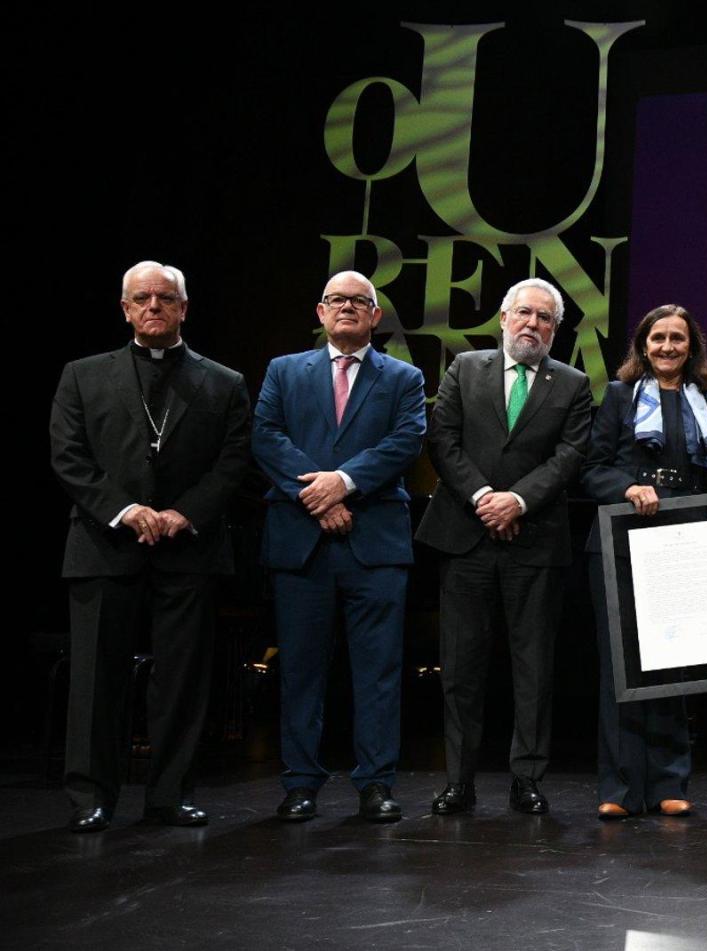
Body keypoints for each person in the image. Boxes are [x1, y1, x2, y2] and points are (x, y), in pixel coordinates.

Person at [49, 261, 251, 832]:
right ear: (125, 308)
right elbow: (68, 455)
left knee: (182, 678)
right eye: (142, 298)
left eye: (166, 298)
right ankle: (91, 796)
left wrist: (183, 512)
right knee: (95, 677)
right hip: (103, 540)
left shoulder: (223, 381)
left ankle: (170, 794)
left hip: (188, 544)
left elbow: (234, 459)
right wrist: (125, 510)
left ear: (184, 308)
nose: (154, 306)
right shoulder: (83, 375)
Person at [252, 270, 427, 824]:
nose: (347, 308)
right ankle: (301, 783)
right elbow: (266, 437)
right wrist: (321, 494)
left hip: (374, 544)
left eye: (360, 302)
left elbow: (405, 441)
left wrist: (343, 483)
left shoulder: (404, 378)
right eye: (337, 300)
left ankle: (375, 783)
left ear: (375, 317)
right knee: (301, 670)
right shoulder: (284, 371)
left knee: (378, 672)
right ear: (321, 312)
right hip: (301, 543)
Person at [415, 278, 591, 816]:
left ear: (556, 330)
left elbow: (571, 455)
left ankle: (527, 780)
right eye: (524, 313)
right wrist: (485, 497)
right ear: (503, 317)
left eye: (544, 318)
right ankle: (459, 781)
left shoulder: (574, 383)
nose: (532, 324)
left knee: (533, 668)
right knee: (461, 666)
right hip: (466, 538)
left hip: (535, 542)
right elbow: (441, 439)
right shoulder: (465, 369)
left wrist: (519, 501)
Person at [582, 305, 707, 818]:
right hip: (621, 542)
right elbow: (593, 470)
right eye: (657, 338)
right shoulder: (619, 397)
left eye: (676, 339)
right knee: (620, 669)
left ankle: (669, 782)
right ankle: (617, 790)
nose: (666, 346)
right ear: (642, 345)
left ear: (691, 347)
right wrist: (627, 486)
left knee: (674, 666)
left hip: (684, 545)